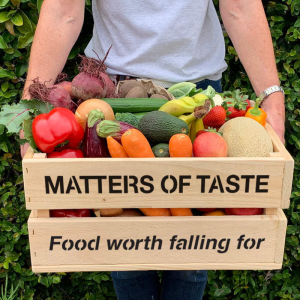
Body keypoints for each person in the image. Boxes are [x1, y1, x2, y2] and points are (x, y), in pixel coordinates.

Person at [22, 0, 285, 299]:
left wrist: (272, 98)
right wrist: (32, 105)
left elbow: (241, 6)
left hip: (197, 94)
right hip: (114, 91)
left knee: (193, 243)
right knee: (126, 242)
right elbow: (62, 10)